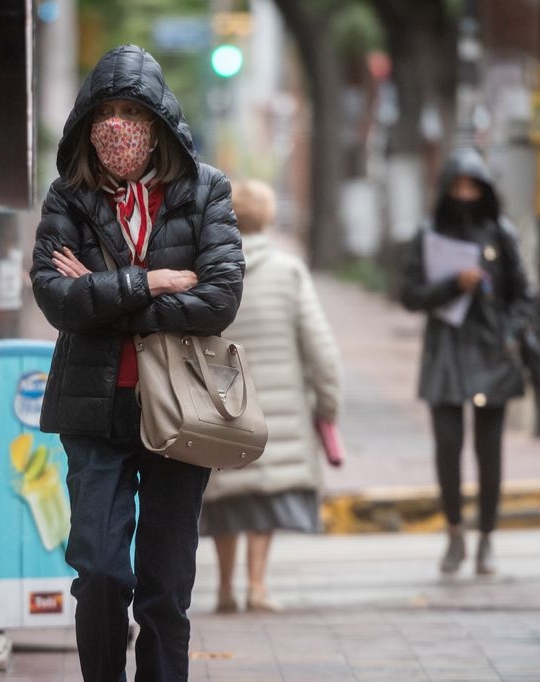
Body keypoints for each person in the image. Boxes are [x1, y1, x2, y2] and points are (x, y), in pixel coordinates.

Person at [29, 44, 244, 681]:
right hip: (95, 412)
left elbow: (219, 299)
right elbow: (54, 297)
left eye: (131, 110)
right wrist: (149, 283)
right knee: (99, 571)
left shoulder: (206, 190)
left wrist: (105, 291)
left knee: (165, 584)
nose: (116, 125)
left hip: (182, 412)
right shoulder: (68, 197)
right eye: (105, 111)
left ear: (158, 121)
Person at [198, 179, 343, 613]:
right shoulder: (289, 271)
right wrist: (327, 406)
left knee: (226, 495)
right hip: (278, 409)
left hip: (222, 401)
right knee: (264, 495)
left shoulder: (209, 270)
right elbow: (323, 351)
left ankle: (225, 588)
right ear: (270, 218)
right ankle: (257, 586)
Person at [399, 148, 534, 576]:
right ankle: (455, 532)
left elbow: (523, 295)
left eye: (472, 187)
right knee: (448, 448)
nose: (464, 194)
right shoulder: (428, 234)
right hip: (445, 353)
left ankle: (487, 538)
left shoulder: (500, 233)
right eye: (457, 186)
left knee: (489, 452)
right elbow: (409, 295)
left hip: (491, 353)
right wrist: (453, 285)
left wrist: (511, 332)